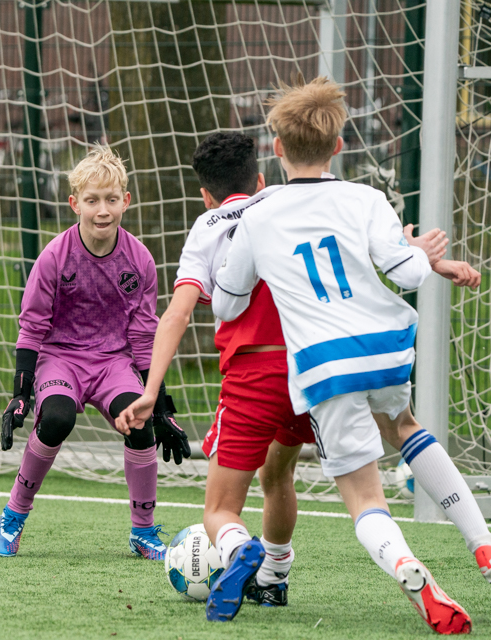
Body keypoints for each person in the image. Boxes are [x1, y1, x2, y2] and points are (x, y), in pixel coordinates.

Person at [210, 77, 491, 634]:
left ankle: (410, 568)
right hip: (385, 347)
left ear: (278, 148)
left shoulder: (258, 215)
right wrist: (418, 252)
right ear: (339, 145)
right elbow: (407, 273)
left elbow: (228, 302)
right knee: (406, 426)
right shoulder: (365, 198)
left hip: (325, 364)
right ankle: (486, 546)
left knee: (363, 495)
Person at [115, 131, 315, 608]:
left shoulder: (208, 226)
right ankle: (274, 578)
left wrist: (150, 389)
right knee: (279, 475)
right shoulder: (289, 205)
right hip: (312, 368)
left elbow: (178, 314)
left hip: (252, 375)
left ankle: (237, 548)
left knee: (220, 509)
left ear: (205, 194)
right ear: (261, 178)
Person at [0, 145, 191, 560]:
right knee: (58, 418)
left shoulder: (140, 261)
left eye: (112, 199)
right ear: (74, 204)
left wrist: (160, 405)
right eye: (93, 200)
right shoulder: (53, 258)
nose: (103, 210)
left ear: (126, 201)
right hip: (59, 359)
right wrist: (20, 393)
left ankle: (144, 531)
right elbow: (32, 328)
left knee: (139, 424)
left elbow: (143, 336)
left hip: (112, 362)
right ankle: (13, 515)